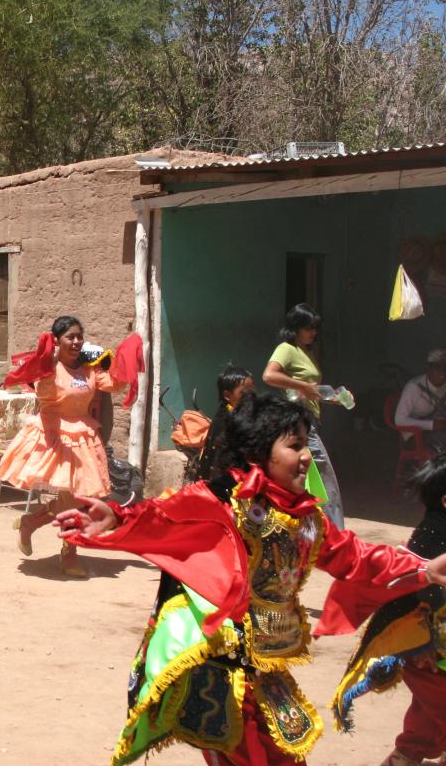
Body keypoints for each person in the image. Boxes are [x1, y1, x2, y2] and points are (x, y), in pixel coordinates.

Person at [55, 392, 446, 766]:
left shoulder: (307, 520)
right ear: (260, 452)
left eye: (306, 445)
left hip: (267, 670)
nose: (307, 457)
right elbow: (165, 518)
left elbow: (357, 557)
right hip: (221, 670)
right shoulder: (225, 502)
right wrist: (119, 518)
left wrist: (422, 569)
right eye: (294, 446)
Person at [322, 452, 446, 766]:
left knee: (428, 718)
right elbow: (412, 590)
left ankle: (406, 757)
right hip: (426, 650)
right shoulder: (432, 537)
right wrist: (420, 645)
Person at [0, 316, 126, 577]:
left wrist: (124, 364)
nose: (76, 342)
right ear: (58, 341)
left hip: (82, 437)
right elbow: (43, 393)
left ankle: (30, 522)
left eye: (80, 336)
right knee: (71, 500)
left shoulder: (90, 370)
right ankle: (69, 553)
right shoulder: (48, 367)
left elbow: (115, 385)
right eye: (70, 337)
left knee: (77, 499)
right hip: (54, 434)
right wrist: (49, 363)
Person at [262, 303, 346, 529]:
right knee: (325, 477)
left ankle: (310, 528)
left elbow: (305, 390)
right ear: (296, 327)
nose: (313, 332)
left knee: (308, 479)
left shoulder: (306, 352)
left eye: (315, 328)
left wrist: (330, 397)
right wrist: (303, 386)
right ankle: (336, 532)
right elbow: (269, 375)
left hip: (309, 420)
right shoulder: (286, 348)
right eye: (309, 328)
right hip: (300, 424)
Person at [193, 365, 254, 481]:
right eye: (243, 393)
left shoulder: (235, 411)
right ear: (227, 395)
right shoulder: (227, 419)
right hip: (222, 478)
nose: (250, 396)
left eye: (252, 390)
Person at [394, 348, 446, 452]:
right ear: (427, 369)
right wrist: (432, 425)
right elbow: (399, 420)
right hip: (415, 435)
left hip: (435, 427)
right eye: (437, 367)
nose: (442, 372)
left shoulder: (444, 385)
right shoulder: (414, 387)